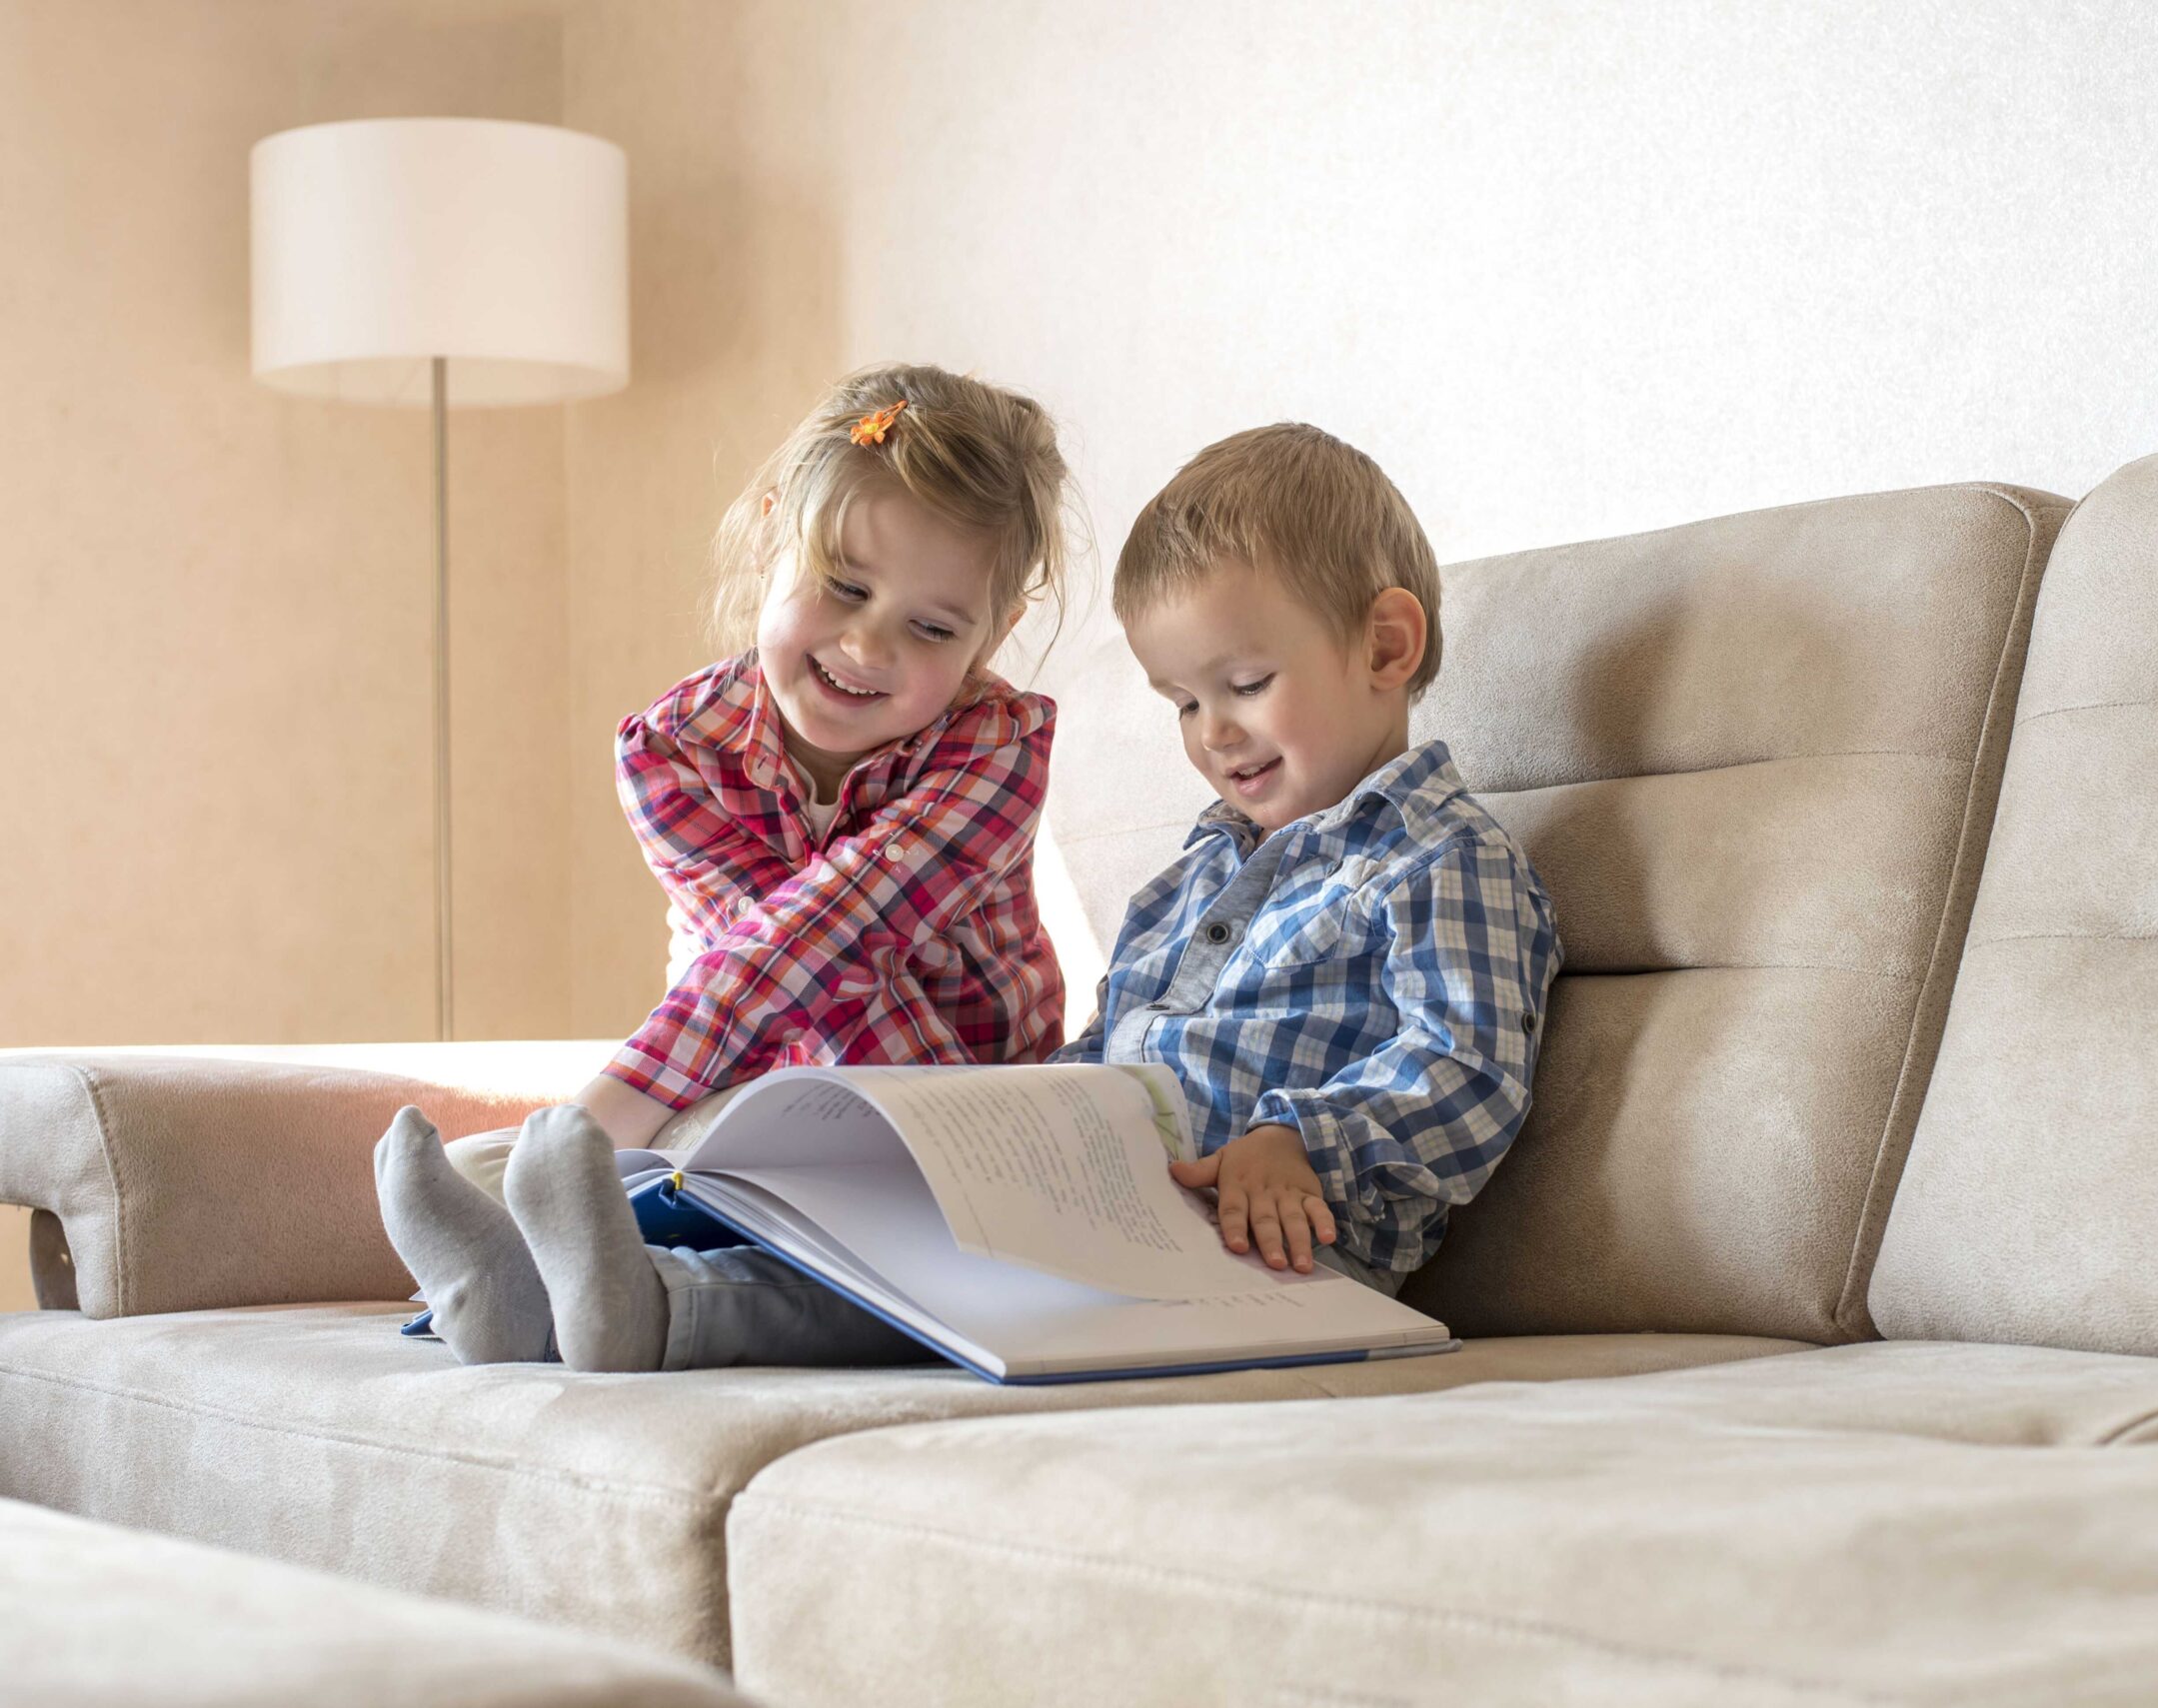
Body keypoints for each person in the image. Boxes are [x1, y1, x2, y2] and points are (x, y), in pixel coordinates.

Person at [375, 363, 1074, 1368]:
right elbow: (753, 982)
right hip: (747, 1096)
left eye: (932, 627)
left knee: (866, 1230)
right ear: (770, 531)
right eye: (843, 586)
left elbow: (821, 936)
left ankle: (626, 1290)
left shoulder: (1000, 746)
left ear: (990, 638)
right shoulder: (671, 749)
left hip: (950, 1118)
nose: (868, 643)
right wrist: (608, 1136)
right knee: (519, 1162)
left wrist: (596, 1118)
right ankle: (513, 1279)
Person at [1060, 422, 1561, 1296]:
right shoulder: (1188, 880)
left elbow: (1467, 1064)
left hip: (1279, 1256)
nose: (1213, 732)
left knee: (795, 1305)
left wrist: (1298, 1139)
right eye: (1183, 702)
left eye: (1247, 685)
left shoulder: (1439, 857)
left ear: (1383, 647)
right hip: (1110, 1225)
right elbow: (1105, 1045)